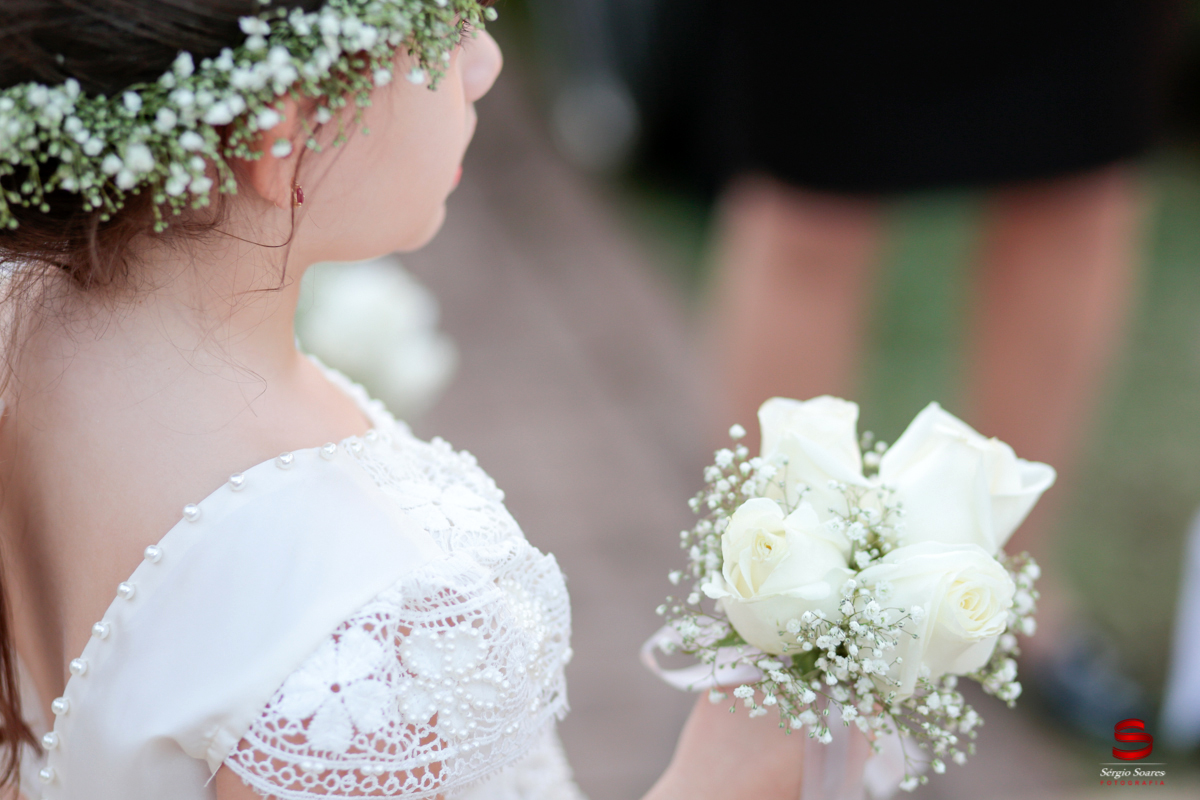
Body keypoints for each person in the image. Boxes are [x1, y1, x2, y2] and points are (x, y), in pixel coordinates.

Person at [0, 1, 816, 798]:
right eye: (442, 21)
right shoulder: (372, 623)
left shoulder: (18, 320)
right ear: (282, 133)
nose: (485, 62)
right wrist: (724, 779)